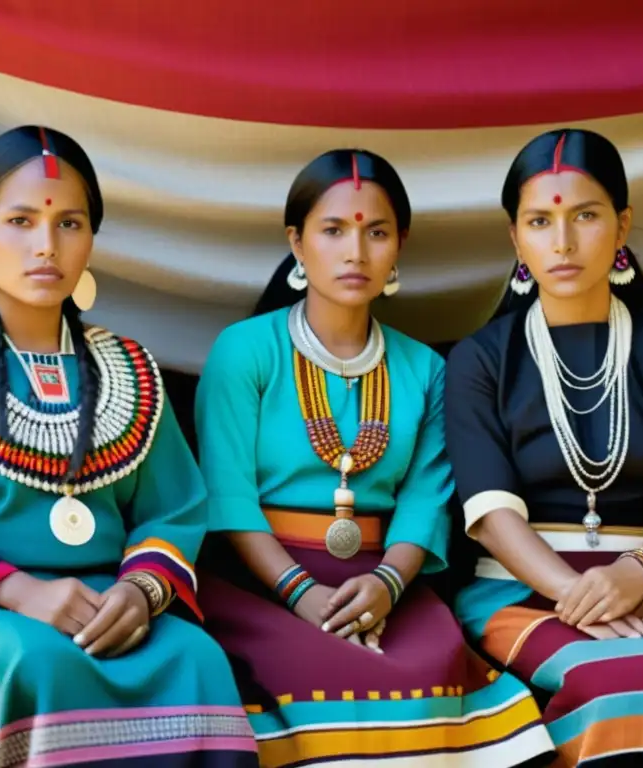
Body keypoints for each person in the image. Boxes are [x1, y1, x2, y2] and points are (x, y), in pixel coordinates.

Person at [0, 125, 259, 767]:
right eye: (20, 221)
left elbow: (175, 509)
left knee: (196, 658)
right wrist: (26, 593)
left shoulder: (129, 367)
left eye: (69, 224)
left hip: (107, 601)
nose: (45, 245)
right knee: (32, 658)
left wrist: (141, 592)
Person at [194, 149, 553, 766]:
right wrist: (300, 592)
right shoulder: (245, 351)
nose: (355, 251)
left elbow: (425, 502)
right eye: (333, 230)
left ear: (399, 245)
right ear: (297, 242)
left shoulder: (427, 369)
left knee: (435, 666)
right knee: (321, 670)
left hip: (383, 581)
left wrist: (387, 584)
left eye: (376, 232)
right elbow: (229, 497)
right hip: (262, 583)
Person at [446, 128, 643, 766]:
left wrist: (635, 570)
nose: (561, 242)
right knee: (614, 679)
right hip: (520, 587)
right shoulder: (480, 359)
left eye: (585, 216)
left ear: (622, 227)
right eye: (540, 220)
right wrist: (575, 593)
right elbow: (490, 514)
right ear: (516, 238)